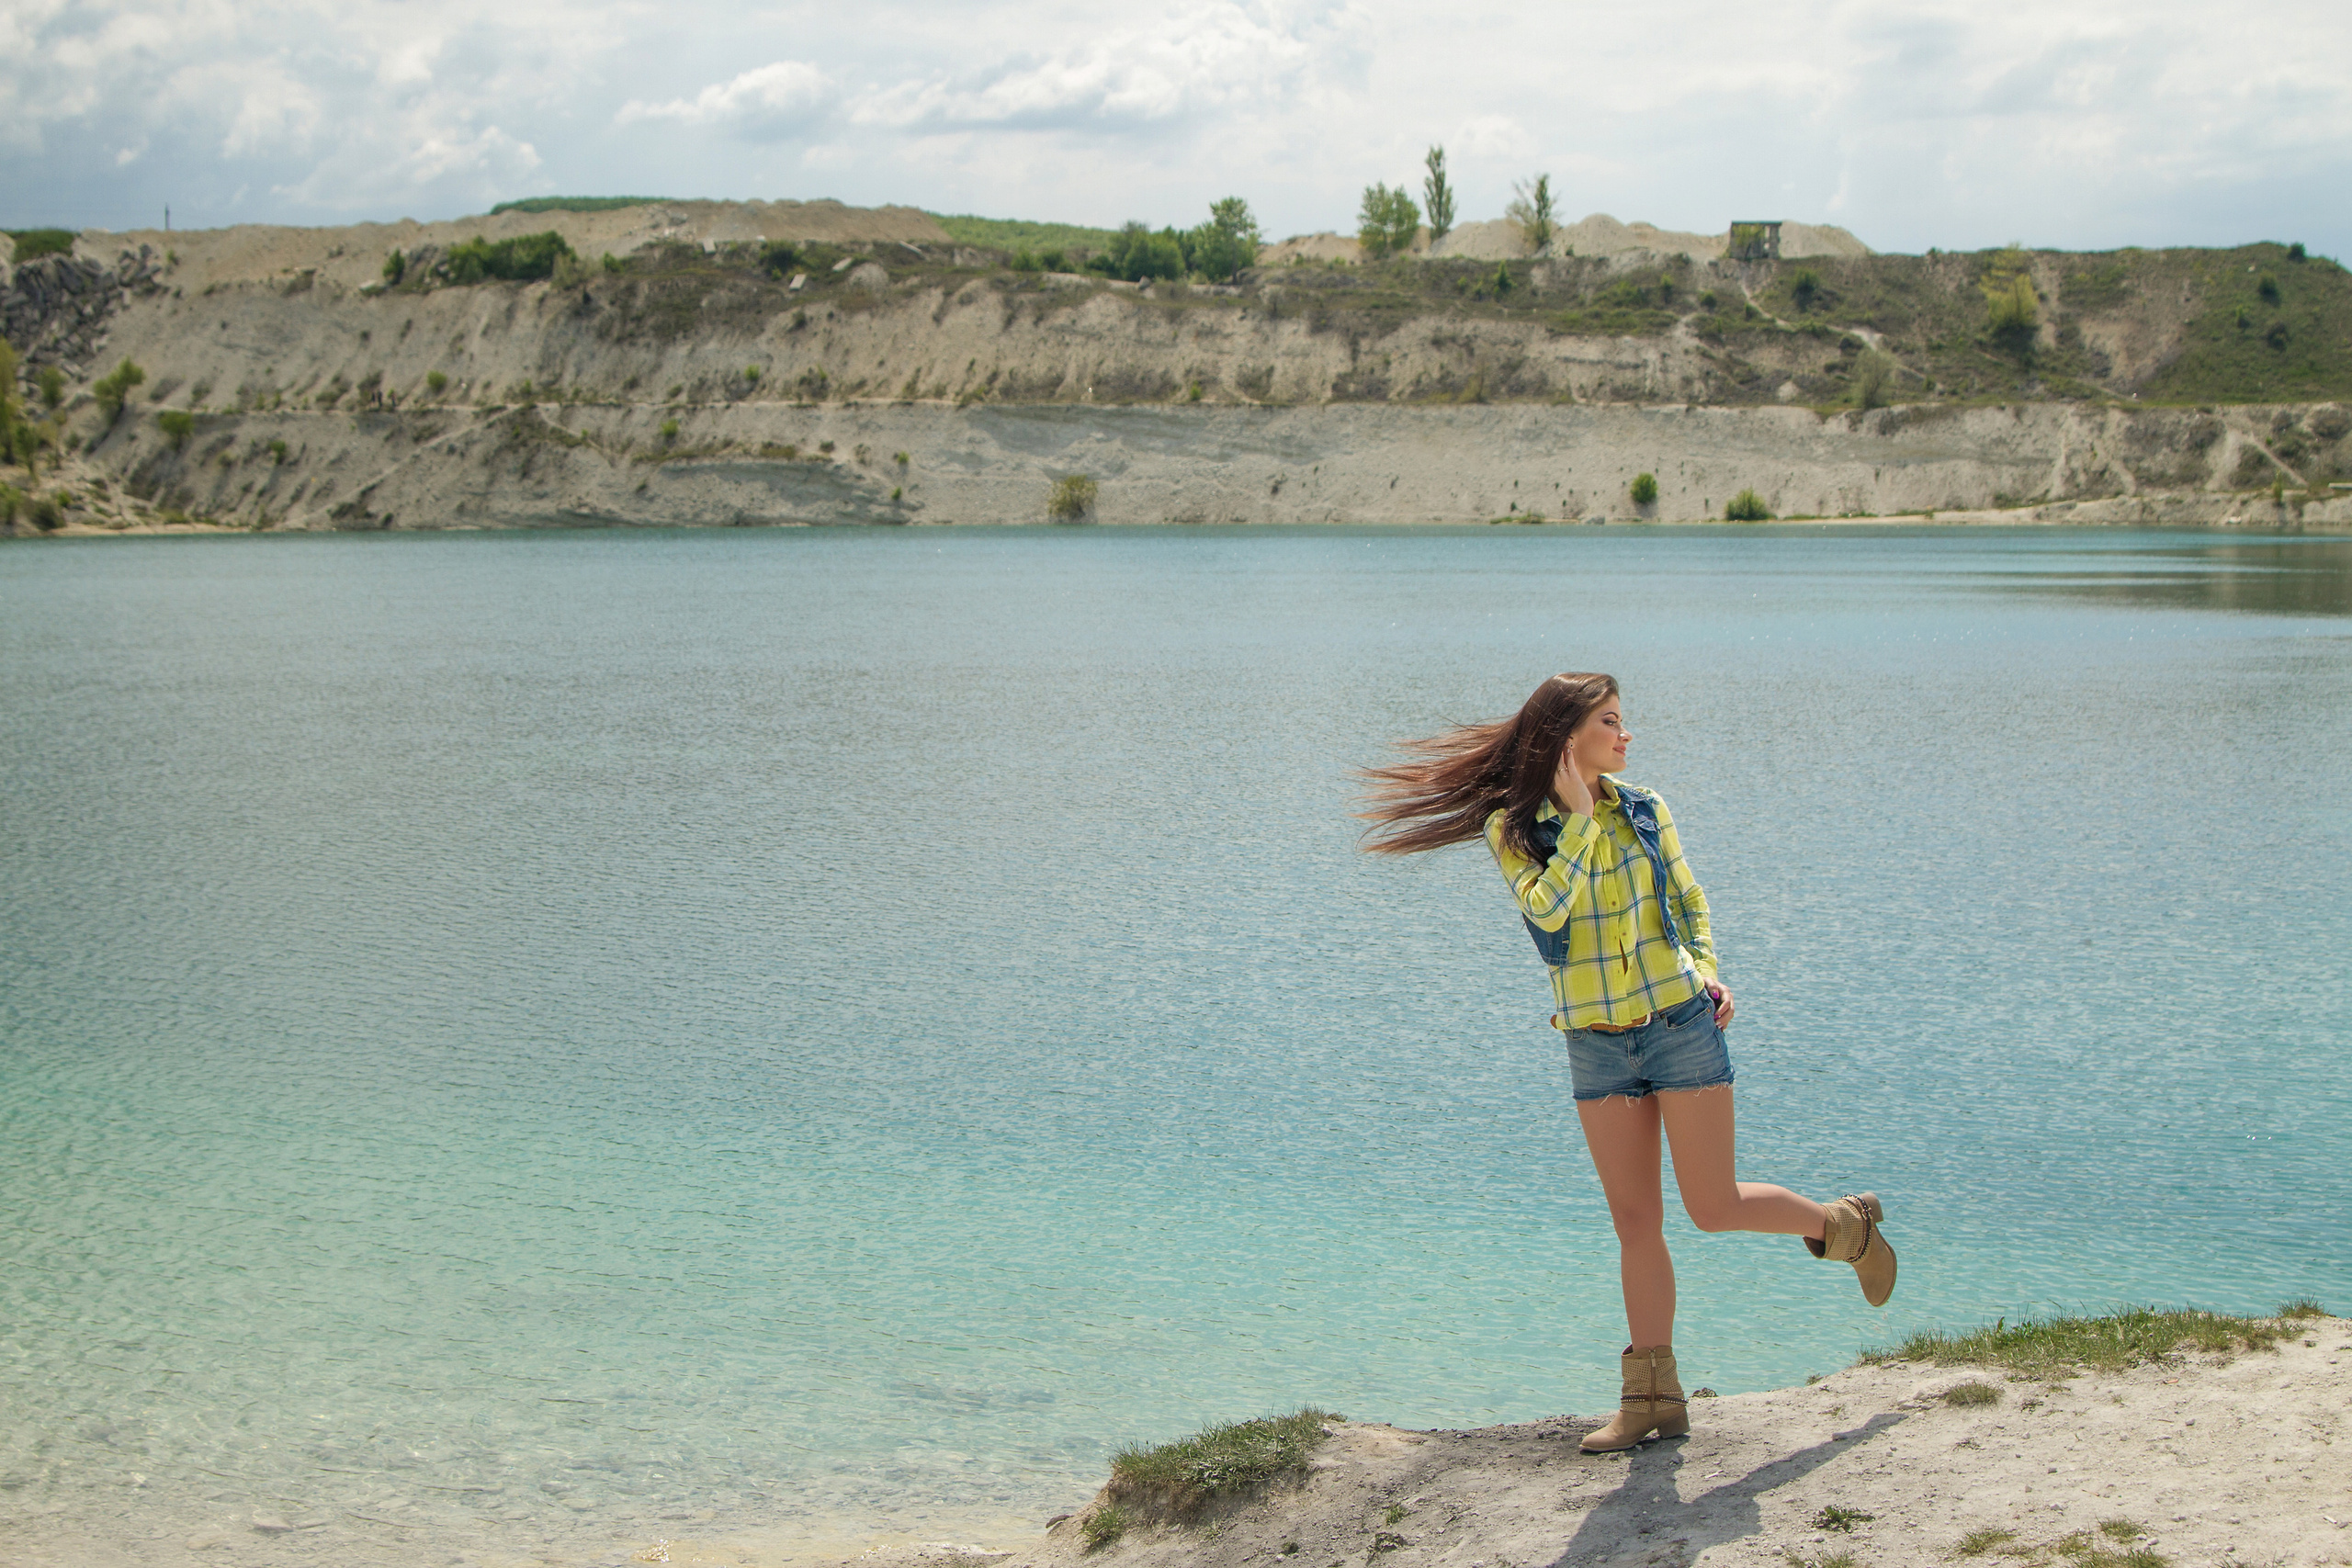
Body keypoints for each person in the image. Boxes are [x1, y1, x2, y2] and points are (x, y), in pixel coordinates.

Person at [1359, 671, 1895, 1452]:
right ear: (1569, 736)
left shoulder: (1645, 807)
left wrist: (1709, 968)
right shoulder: (1516, 830)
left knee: (1711, 1205)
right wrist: (1575, 821)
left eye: (1624, 721)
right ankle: (1652, 1400)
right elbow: (1545, 910)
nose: (1627, 734)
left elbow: (1691, 899)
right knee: (1636, 1221)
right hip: (1594, 1041)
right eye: (1612, 721)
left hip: (1679, 1022)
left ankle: (1843, 1228)